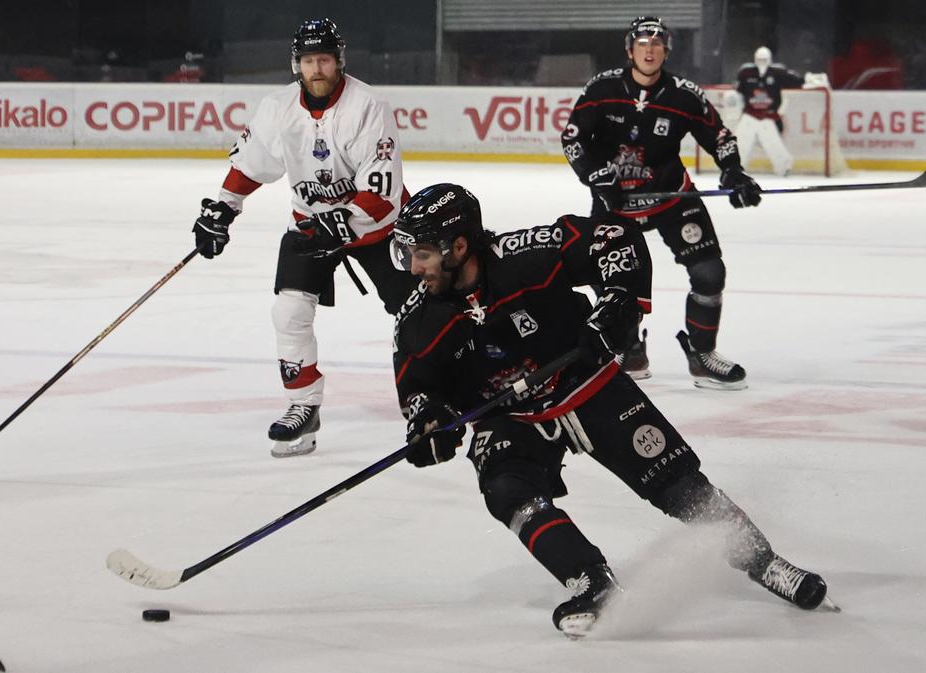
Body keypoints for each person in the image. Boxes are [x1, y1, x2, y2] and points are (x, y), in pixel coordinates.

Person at [390, 183, 831, 638]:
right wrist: (429, 422)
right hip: (514, 418)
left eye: (422, 254)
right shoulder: (418, 318)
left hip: (586, 384)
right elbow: (417, 385)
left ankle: (764, 561)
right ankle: (592, 583)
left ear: (460, 246)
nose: (413, 268)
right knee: (507, 490)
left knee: (677, 485)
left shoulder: (525, 255)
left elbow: (615, 239)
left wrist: (618, 300)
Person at [192, 18, 416, 457]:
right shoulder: (277, 108)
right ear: (297, 64)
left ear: (339, 61)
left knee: (417, 311)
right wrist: (223, 208)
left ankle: (433, 392)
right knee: (289, 311)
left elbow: (383, 192)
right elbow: (252, 163)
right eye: (309, 60)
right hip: (311, 225)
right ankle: (303, 405)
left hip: (379, 229)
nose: (317, 69)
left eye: (325, 60)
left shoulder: (368, 106)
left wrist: (344, 222)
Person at [560, 16, 763, 390]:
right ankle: (629, 349)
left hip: (672, 197)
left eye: (656, 44)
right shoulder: (602, 89)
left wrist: (733, 171)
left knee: (709, 273)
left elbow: (719, 136)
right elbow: (573, 139)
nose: (649, 50)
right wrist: (596, 176)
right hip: (616, 203)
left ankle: (702, 354)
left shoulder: (684, 94)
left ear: (666, 51)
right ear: (630, 50)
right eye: (642, 43)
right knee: (608, 280)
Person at [734, 46, 805, 177]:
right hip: (749, 114)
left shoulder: (778, 72)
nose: (761, 62)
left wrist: (809, 80)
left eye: (764, 60)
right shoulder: (746, 73)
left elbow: (797, 81)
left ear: (770, 60)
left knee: (772, 143)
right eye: (759, 60)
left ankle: (784, 166)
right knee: (740, 141)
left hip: (768, 115)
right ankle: (736, 167)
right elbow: (737, 93)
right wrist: (736, 110)